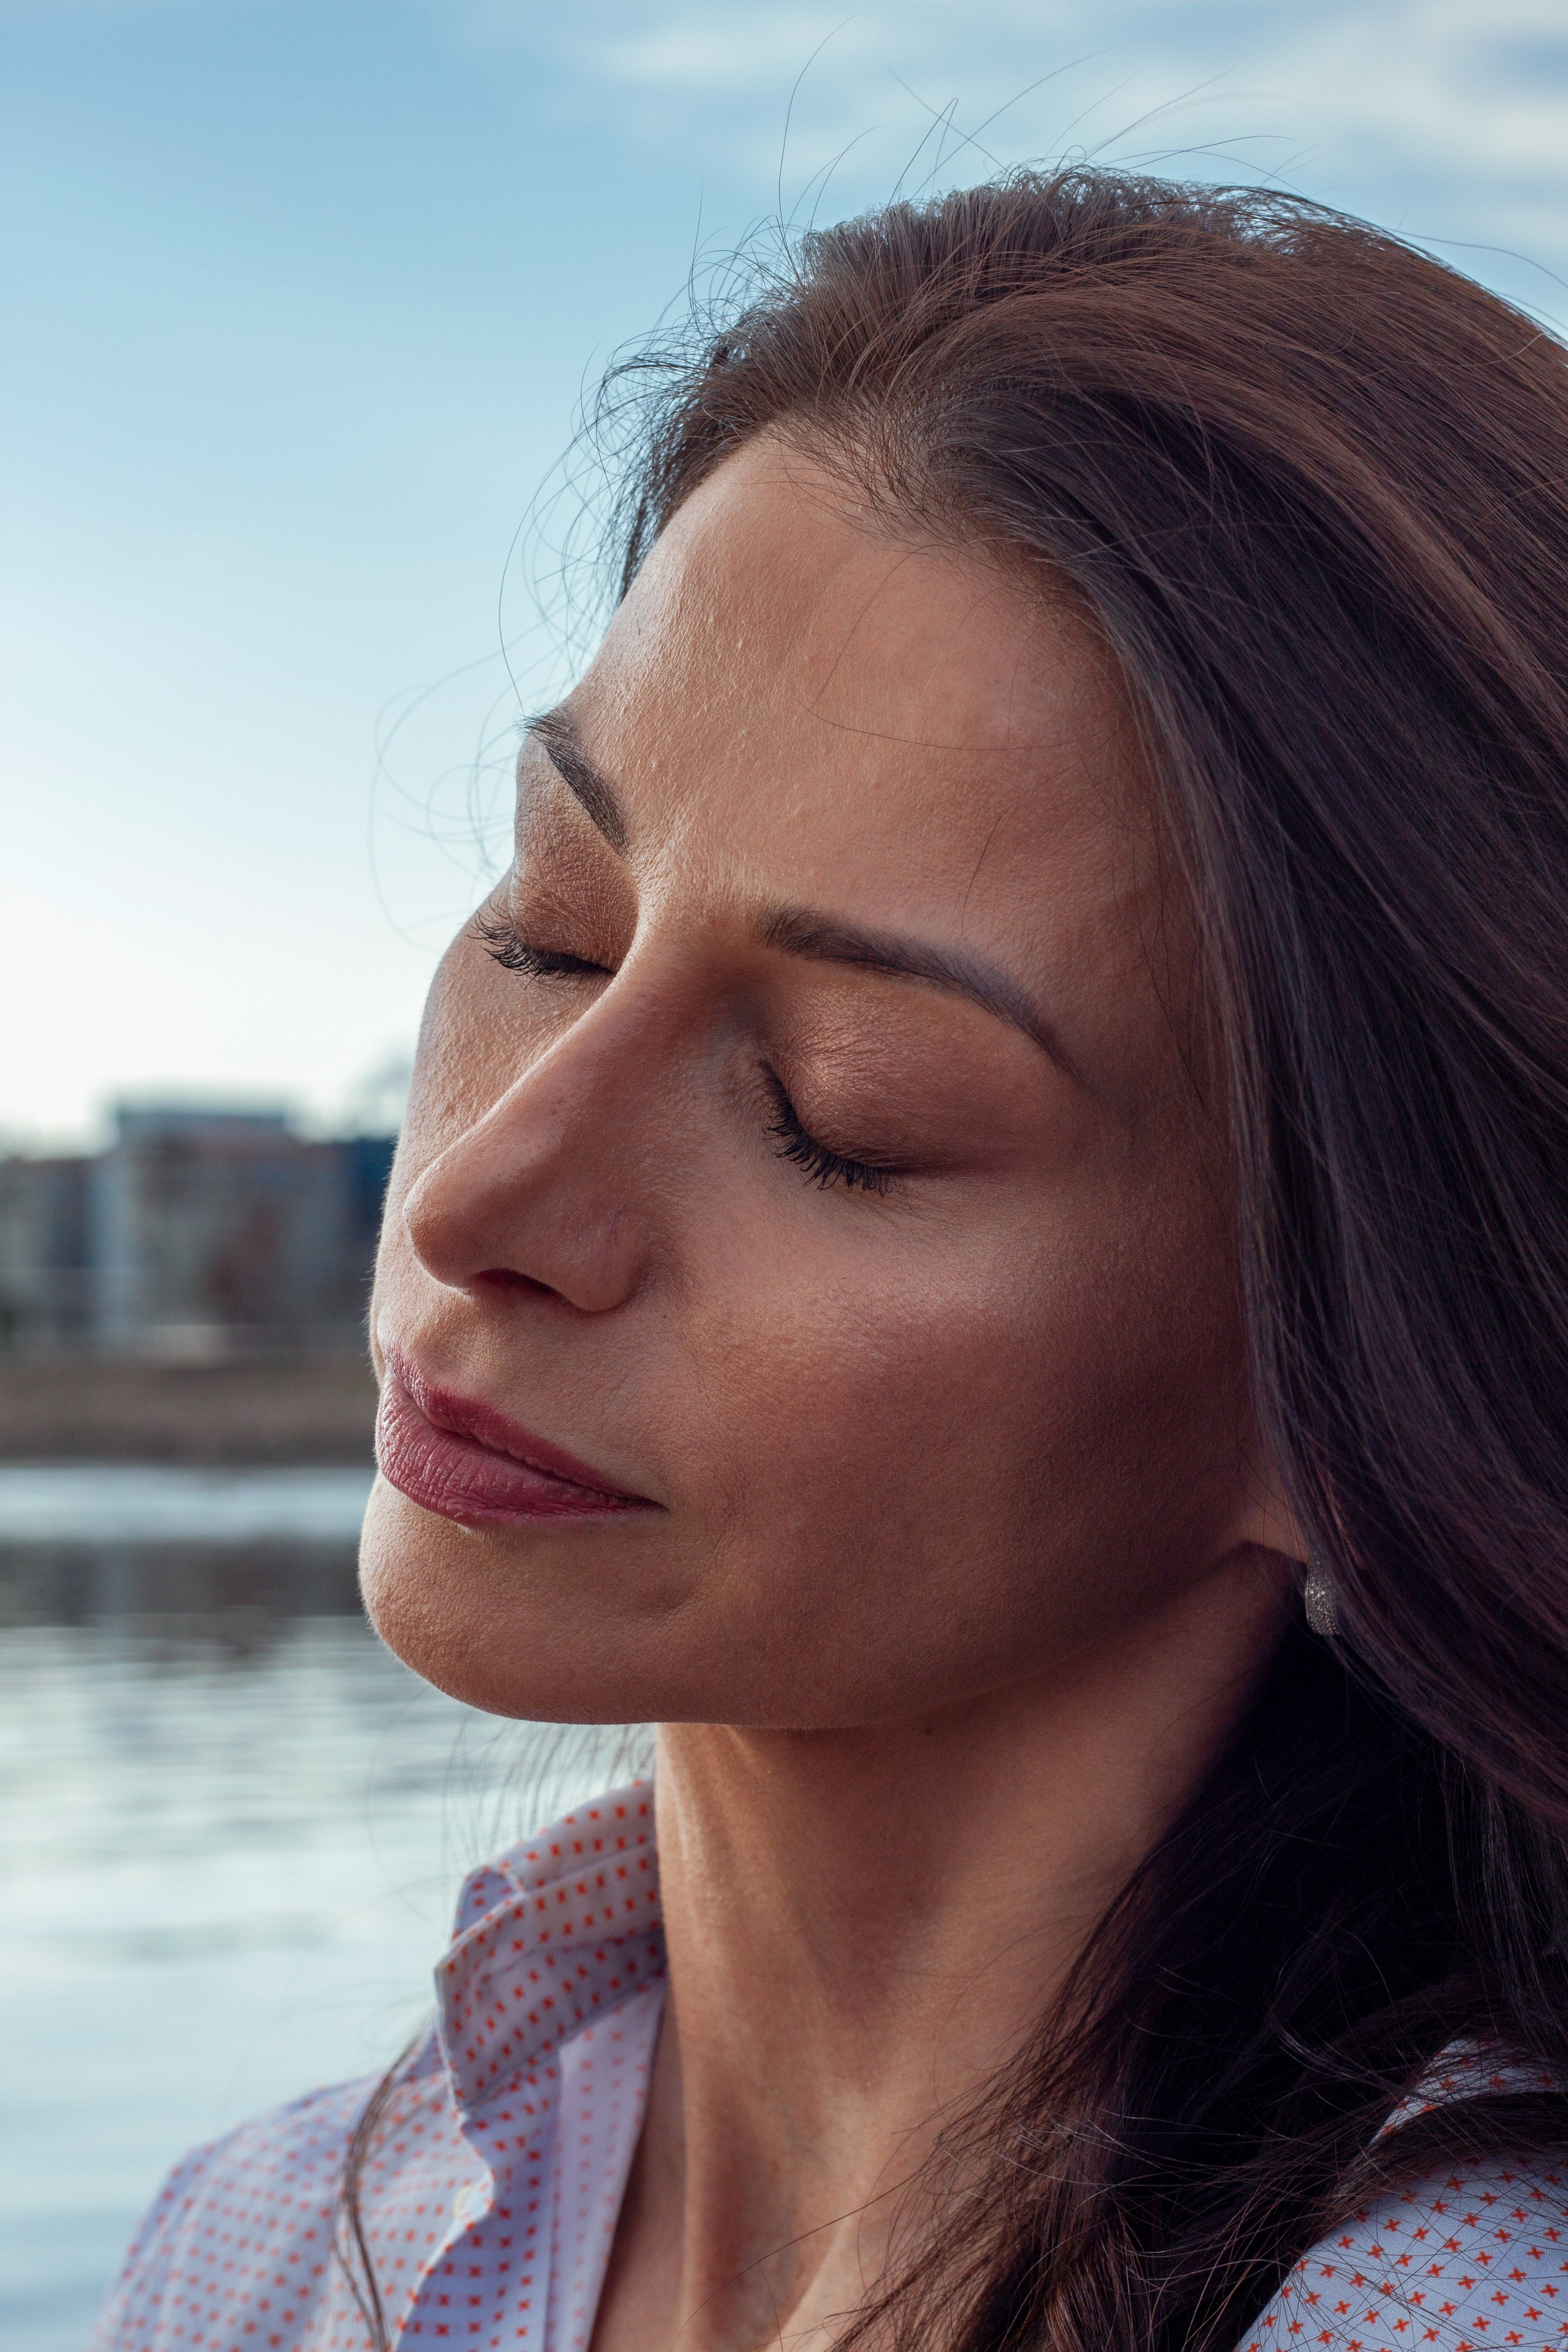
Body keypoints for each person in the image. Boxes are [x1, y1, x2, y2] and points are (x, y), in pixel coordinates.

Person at [93, 168, 1568, 2352]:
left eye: (840, 1112)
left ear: (1359, 1368)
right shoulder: (258, 2248)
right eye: (547, 927)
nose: (480, 1197)